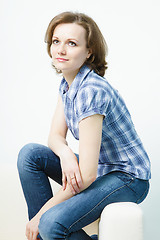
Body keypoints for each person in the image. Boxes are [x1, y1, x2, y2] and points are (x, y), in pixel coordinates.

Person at [17, 11, 151, 240]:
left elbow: (87, 176)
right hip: (102, 169)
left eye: (72, 43)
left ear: (89, 51)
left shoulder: (91, 91)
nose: (60, 50)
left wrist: (41, 214)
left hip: (127, 177)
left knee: (50, 223)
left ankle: (45, 230)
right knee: (30, 154)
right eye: (56, 41)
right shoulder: (68, 83)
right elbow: (55, 136)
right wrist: (67, 154)